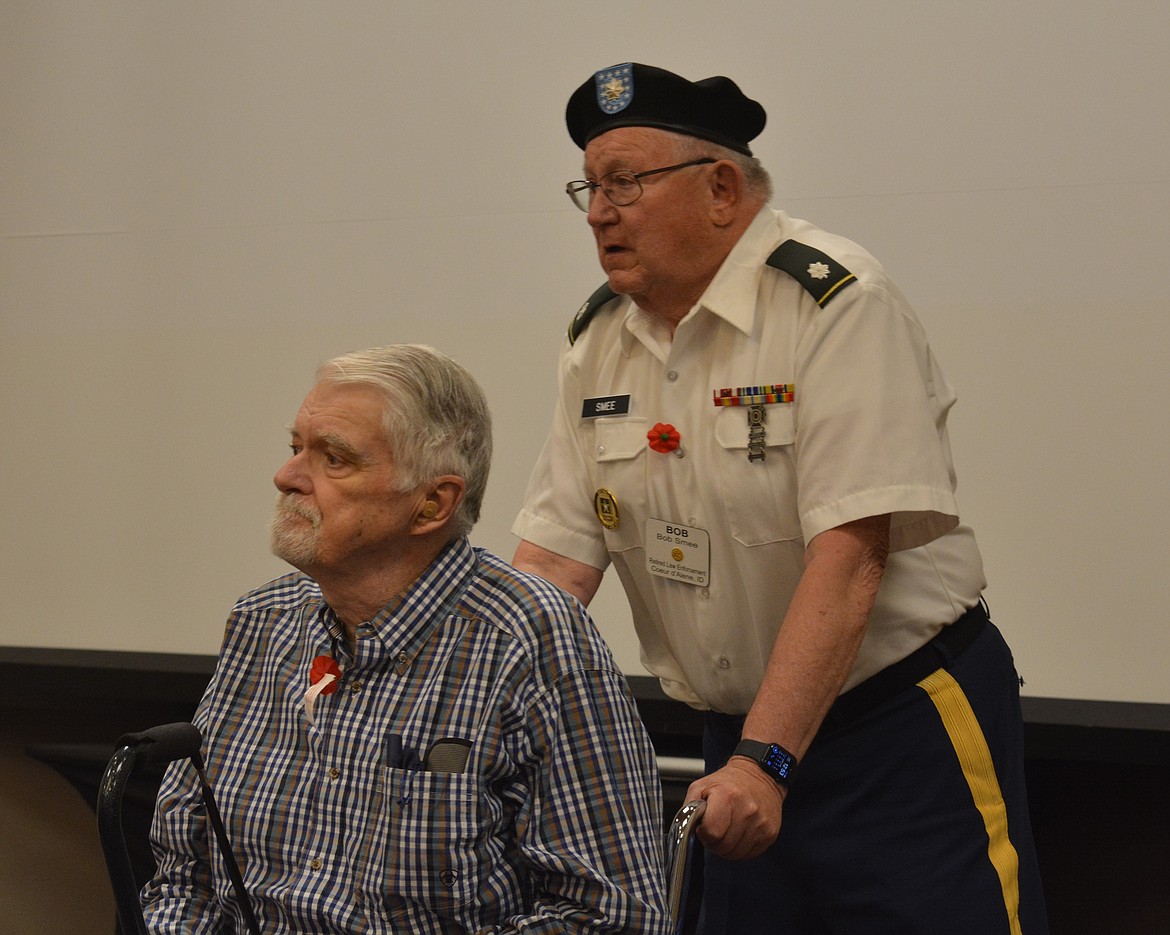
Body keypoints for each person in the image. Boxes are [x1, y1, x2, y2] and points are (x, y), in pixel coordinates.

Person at [512, 63, 1048, 934]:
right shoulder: (600, 337)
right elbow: (555, 561)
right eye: (589, 186)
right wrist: (459, 700)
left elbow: (851, 555)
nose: (598, 213)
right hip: (735, 746)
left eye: (624, 183)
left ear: (721, 188)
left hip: (897, 732)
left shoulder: (834, 301)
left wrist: (770, 758)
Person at [142, 344, 671, 933]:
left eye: (333, 458)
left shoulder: (529, 641)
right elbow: (182, 876)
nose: (286, 476)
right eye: (296, 449)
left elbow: (612, 916)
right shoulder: (262, 623)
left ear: (431, 504)